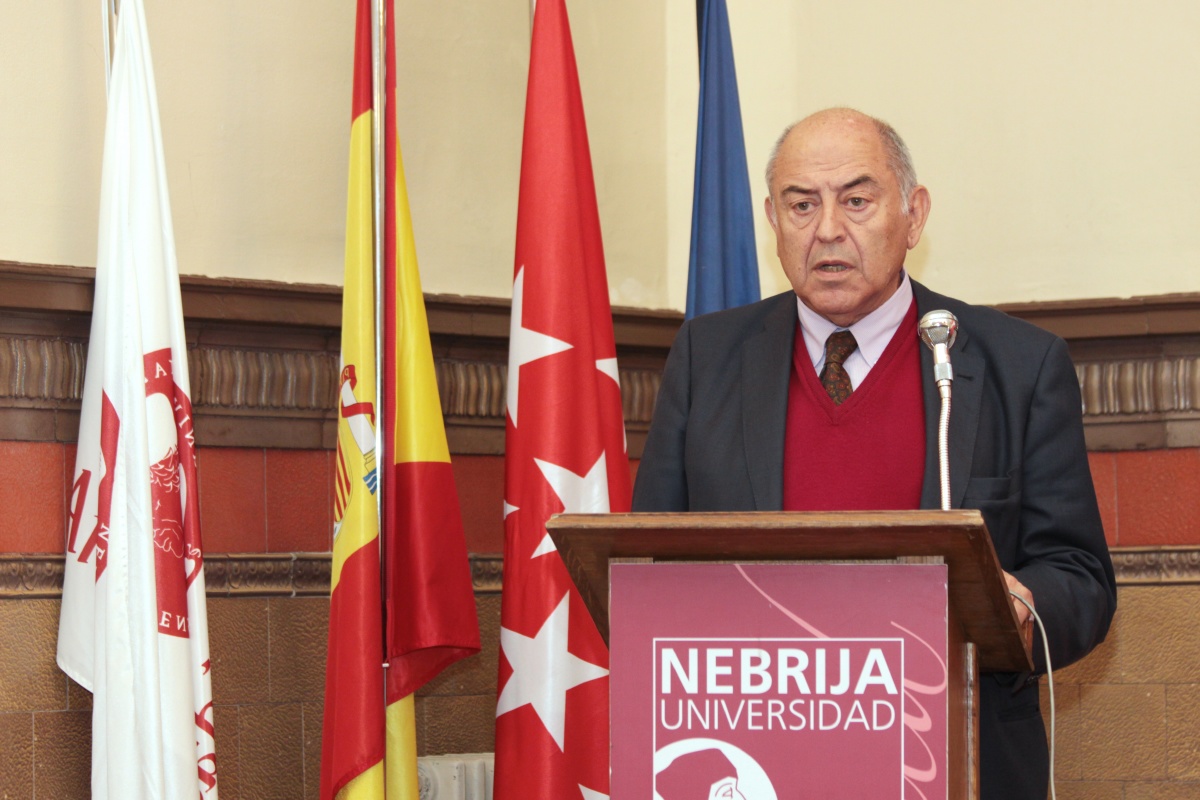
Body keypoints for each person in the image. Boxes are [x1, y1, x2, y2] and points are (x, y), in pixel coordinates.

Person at [632, 108, 1117, 799]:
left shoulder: (1018, 365)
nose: (828, 229)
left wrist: (1020, 605)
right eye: (802, 204)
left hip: (955, 756)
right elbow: (647, 565)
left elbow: (1081, 577)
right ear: (773, 221)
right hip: (757, 755)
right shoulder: (706, 359)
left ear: (914, 216)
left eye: (857, 201)